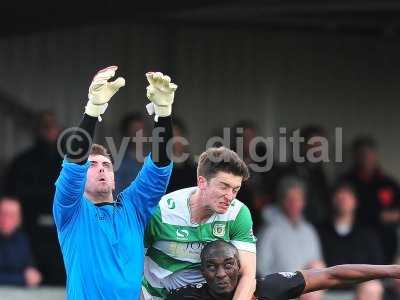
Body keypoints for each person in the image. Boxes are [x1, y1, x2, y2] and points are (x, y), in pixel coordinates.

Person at [53, 67, 176, 299]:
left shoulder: (133, 208)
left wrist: (163, 112)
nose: (100, 168)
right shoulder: (71, 212)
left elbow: (159, 167)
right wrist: (92, 111)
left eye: (106, 165)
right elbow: (72, 165)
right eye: (92, 165)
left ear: (113, 176)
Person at [142, 147, 257, 300]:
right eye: (224, 186)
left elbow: (248, 275)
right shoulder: (161, 212)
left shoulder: (238, 214)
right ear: (202, 182)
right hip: (157, 296)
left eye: (235, 190)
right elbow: (131, 263)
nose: (230, 196)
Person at [167, 240, 400, 300]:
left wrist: (392, 270)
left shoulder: (266, 287)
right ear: (202, 271)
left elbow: (332, 274)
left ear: (240, 267)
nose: (220, 274)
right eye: (211, 267)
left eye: (228, 265)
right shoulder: (185, 296)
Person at [4, 110, 64, 284]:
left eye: (52, 126)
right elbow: (11, 199)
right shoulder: (21, 162)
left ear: (58, 130)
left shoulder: (68, 163)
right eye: (44, 126)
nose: (48, 131)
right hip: (29, 232)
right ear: (37, 130)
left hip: (59, 233)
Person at [257, 176, 324, 300]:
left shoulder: (309, 231)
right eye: (290, 199)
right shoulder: (269, 231)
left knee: (317, 266)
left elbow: (318, 265)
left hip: (309, 289)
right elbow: (261, 269)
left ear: (304, 202)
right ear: (282, 201)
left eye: (298, 199)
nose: (294, 204)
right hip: (282, 289)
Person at [318, 182, 384, 299]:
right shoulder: (320, 232)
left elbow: (377, 268)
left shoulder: (367, 235)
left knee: (373, 287)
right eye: (340, 196)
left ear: (355, 202)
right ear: (333, 201)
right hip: (325, 287)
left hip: (359, 288)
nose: (343, 200)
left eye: (347, 197)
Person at [340, 136, 400, 264]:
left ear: (375, 155)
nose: (365, 157)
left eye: (368, 153)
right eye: (361, 154)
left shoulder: (388, 183)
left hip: (386, 239)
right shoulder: (347, 181)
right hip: (356, 238)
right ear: (355, 156)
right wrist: (378, 216)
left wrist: (393, 215)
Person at [0, 196, 42, 286]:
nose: (6, 219)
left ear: (19, 220)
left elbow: (31, 270)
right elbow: (26, 278)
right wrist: (22, 279)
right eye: (3, 214)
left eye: (12, 215)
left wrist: (33, 276)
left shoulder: (22, 240)